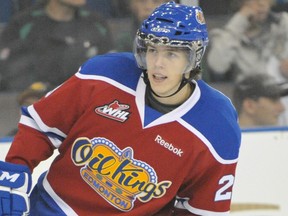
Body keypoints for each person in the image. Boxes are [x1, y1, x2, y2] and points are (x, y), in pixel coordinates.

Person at [0, 2, 241, 215]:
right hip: (55, 207)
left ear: (194, 58)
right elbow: (41, 125)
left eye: (172, 54)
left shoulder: (217, 126)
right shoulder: (105, 73)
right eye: (152, 50)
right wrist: (15, 169)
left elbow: (201, 209)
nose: (157, 63)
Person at [0, 0, 114, 91]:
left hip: (86, 103)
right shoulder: (23, 24)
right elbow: (8, 73)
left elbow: (111, 69)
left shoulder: (95, 23)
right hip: (35, 103)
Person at [206, 0, 288, 82]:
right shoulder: (225, 35)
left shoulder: (282, 22)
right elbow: (217, 66)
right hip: (250, 91)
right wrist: (240, 20)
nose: (261, 3)